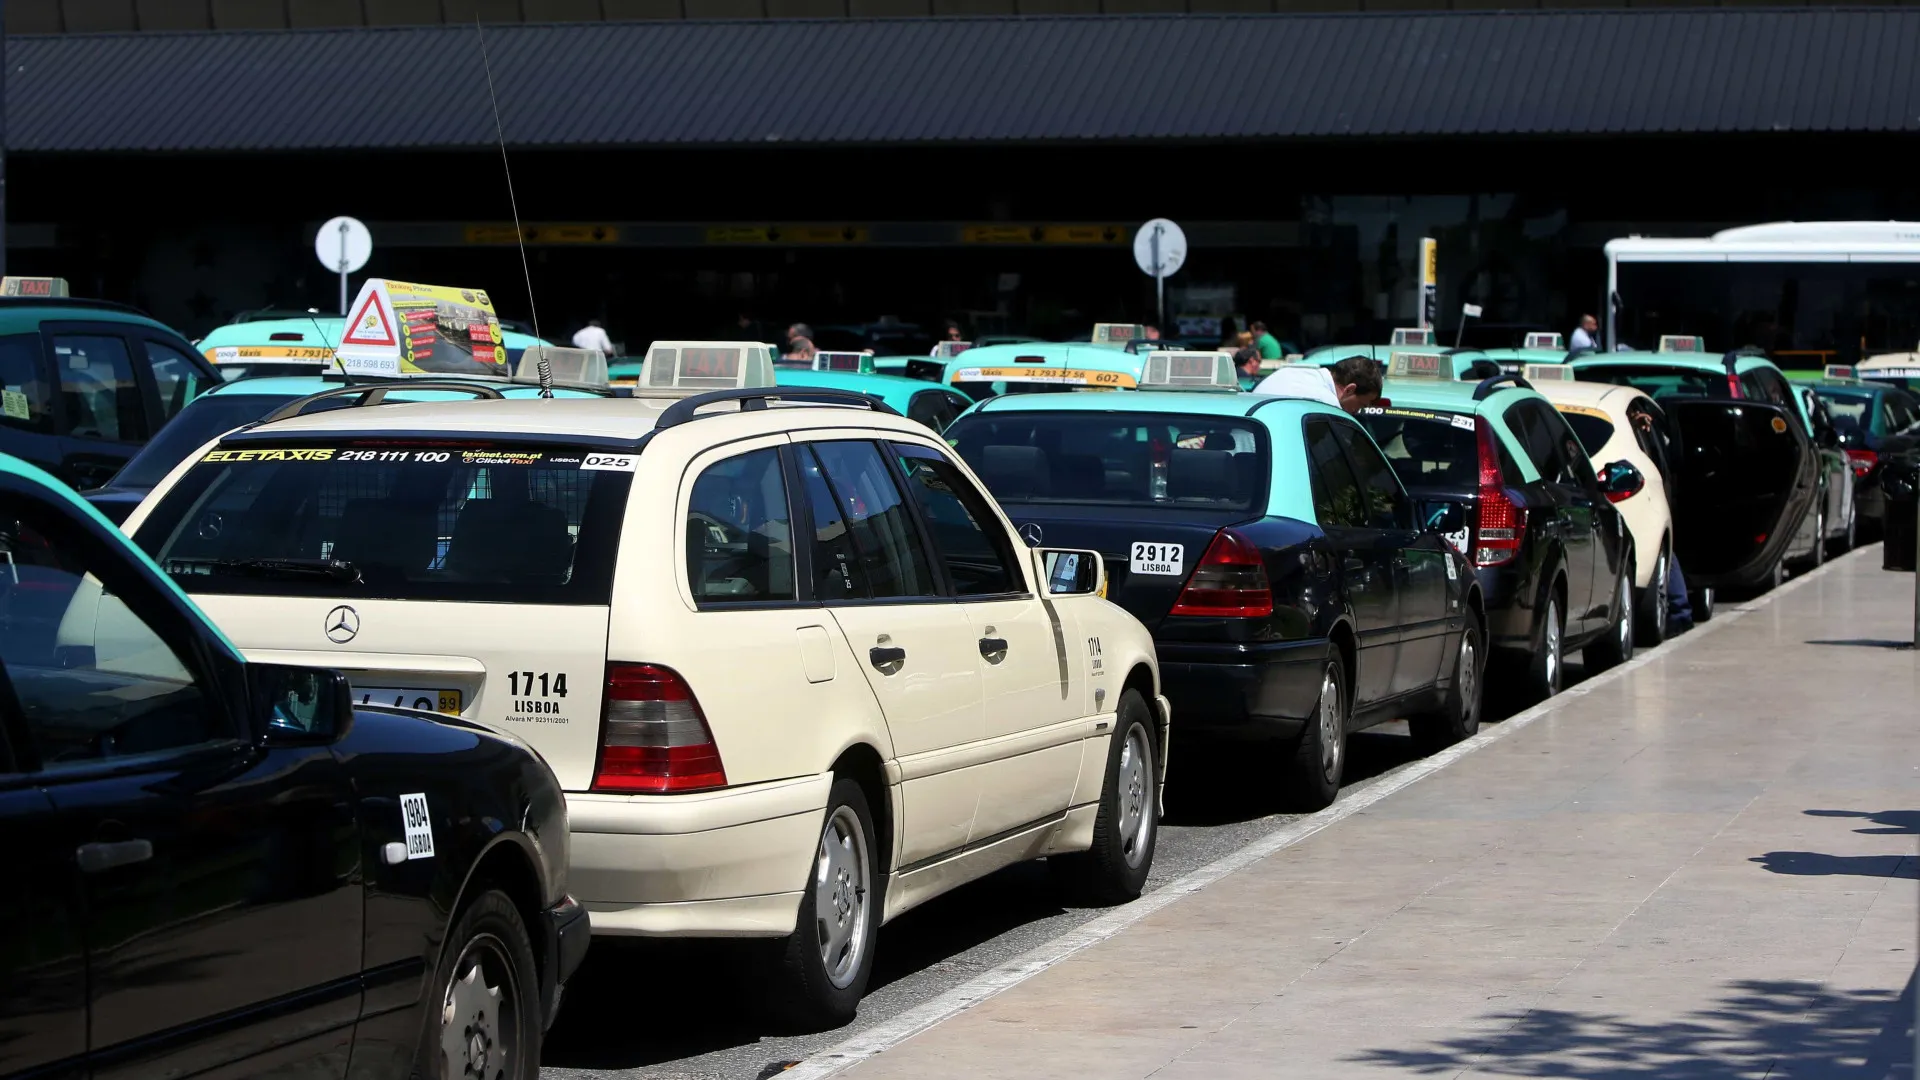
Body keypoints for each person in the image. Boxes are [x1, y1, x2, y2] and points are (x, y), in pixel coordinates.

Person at [1253, 354, 1381, 414]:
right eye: (1361, 405)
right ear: (1349, 390)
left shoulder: (1287, 373)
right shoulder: (1328, 406)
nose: (1357, 412)